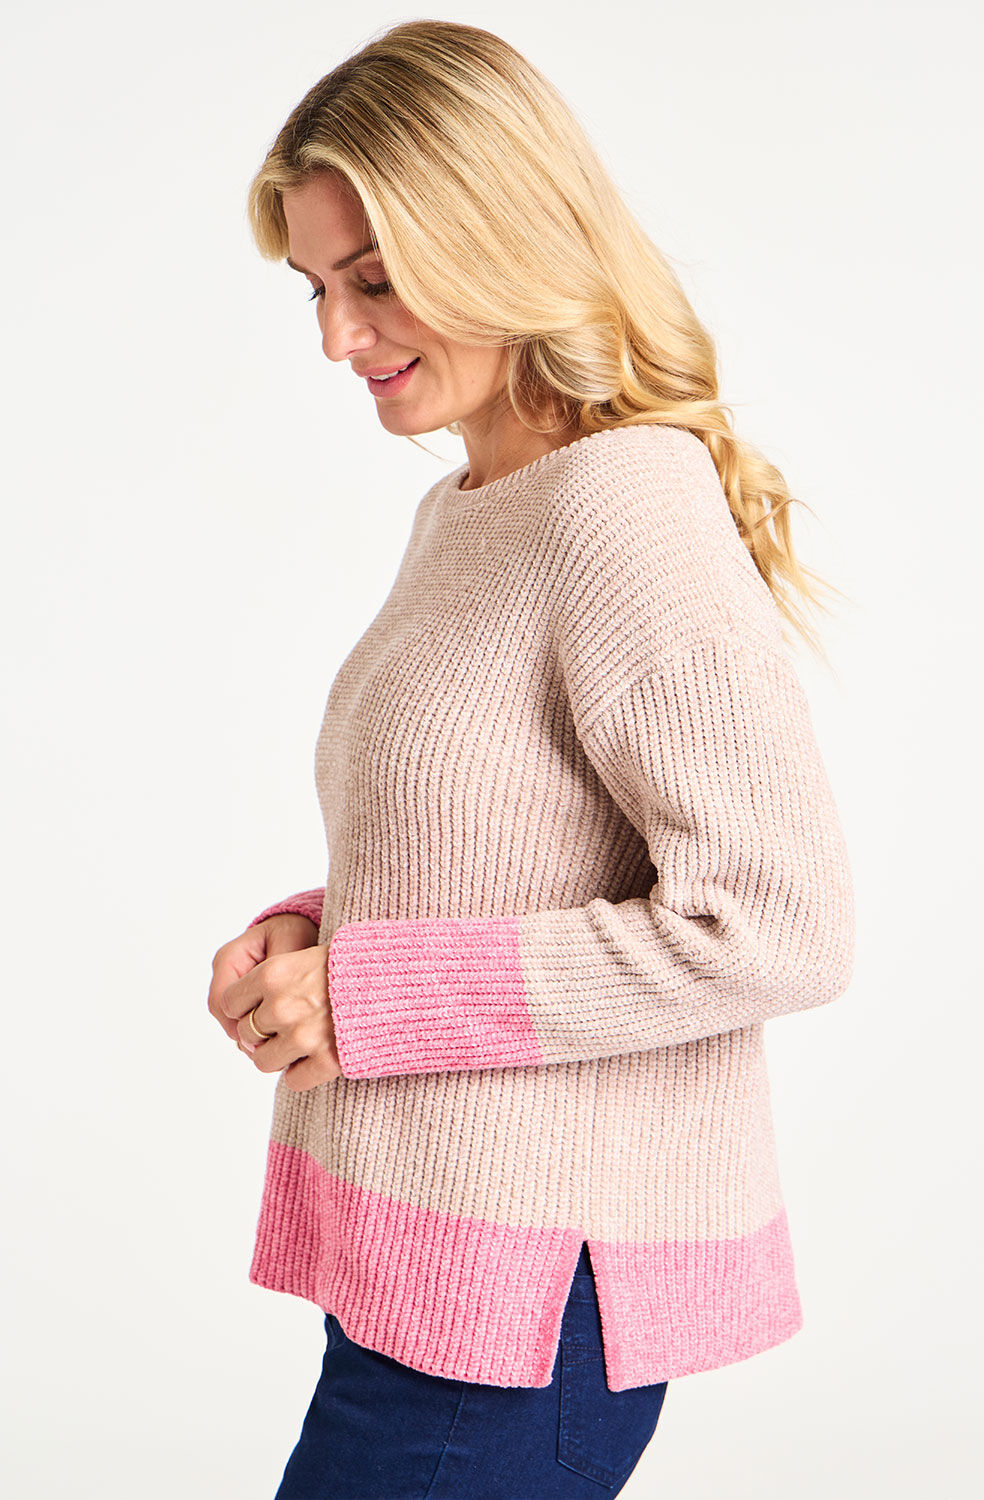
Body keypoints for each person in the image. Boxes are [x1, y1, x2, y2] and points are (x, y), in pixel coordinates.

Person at [207, 19, 856, 1499]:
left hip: (527, 1310)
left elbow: (782, 925)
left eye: (376, 279)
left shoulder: (623, 512)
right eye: (316, 288)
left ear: (499, 239)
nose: (336, 338)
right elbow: (505, 845)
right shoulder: (472, 508)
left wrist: (369, 993)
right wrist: (318, 933)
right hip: (432, 1271)